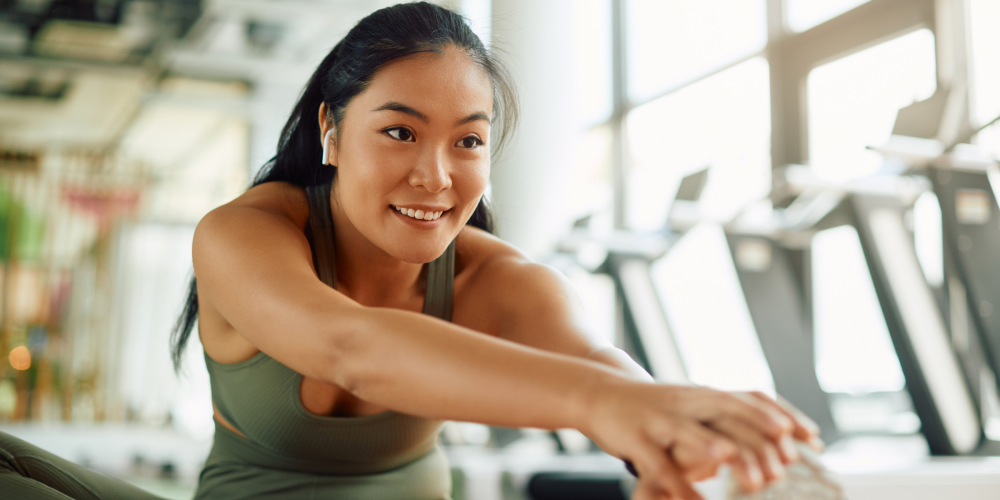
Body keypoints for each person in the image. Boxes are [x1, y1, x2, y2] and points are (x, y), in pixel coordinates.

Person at [0, 3, 820, 499]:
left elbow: (603, 371)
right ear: (330, 130)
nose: (435, 175)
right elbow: (349, 345)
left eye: (468, 141)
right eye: (398, 131)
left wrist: (672, 431)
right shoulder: (244, 233)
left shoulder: (498, 279)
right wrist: (602, 406)